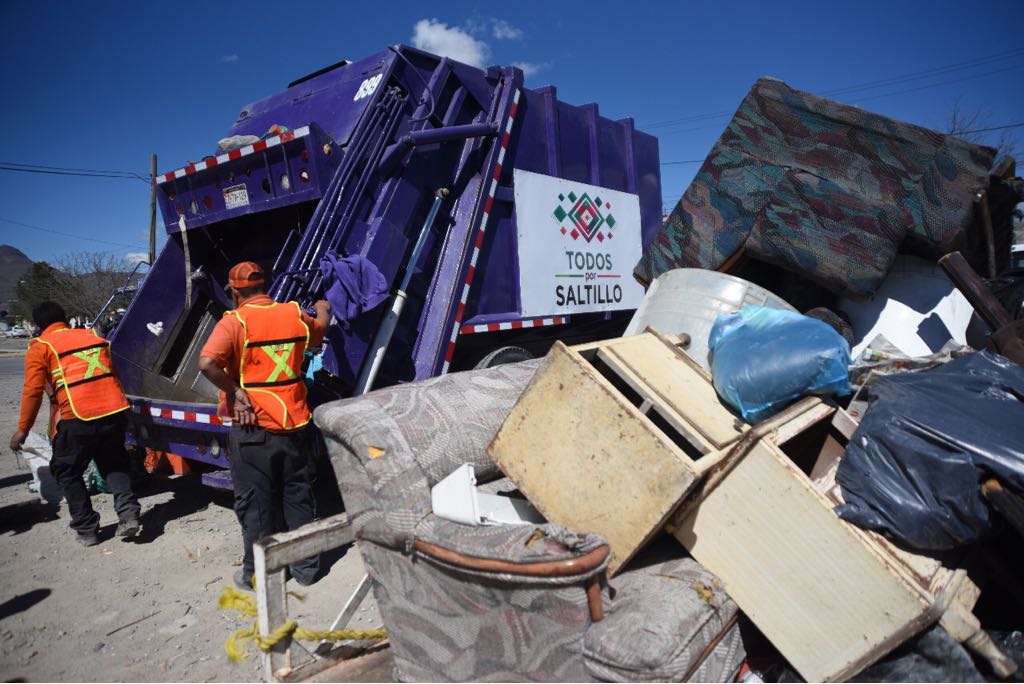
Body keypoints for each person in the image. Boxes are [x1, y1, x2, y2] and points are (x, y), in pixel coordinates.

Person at [198, 262, 330, 591]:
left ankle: (258, 573)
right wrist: (323, 308)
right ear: (264, 286)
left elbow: (207, 362)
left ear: (236, 291)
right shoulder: (293, 314)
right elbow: (320, 330)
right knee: (297, 494)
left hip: (253, 425)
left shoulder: (236, 322)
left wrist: (236, 392)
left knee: (255, 501)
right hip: (294, 422)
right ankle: (306, 568)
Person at [9, 301, 142, 546]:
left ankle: (87, 529)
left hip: (79, 416)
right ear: (66, 317)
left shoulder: (41, 346)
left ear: (38, 326)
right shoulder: (90, 335)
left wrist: (23, 430)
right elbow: (114, 373)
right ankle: (128, 513)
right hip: (114, 410)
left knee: (66, 470)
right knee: (113, 462)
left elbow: (32, 391)